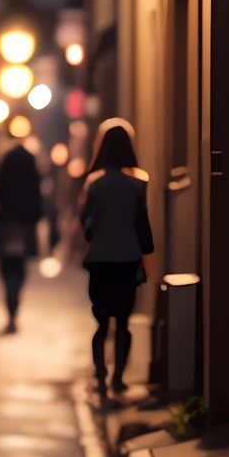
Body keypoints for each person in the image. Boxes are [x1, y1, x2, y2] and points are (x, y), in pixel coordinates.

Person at [79, 117, 155, 393]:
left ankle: (100, 374)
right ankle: (118, 378)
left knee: (101, 323)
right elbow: (142, 224)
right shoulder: (138, 184)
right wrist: (148, 259)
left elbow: (85, 222)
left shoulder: (95, 184)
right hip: (127, 260)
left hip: (100, 261)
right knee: (123, 322)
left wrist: (95, 237)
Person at [0, 140, 44, 332]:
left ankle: (10, 306)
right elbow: (37, 195)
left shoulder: (6, 160)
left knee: (7, 266)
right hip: (24, 224)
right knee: (20, 266)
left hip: (7, 223)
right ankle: (15, 305)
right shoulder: (31, 162)